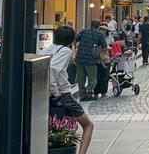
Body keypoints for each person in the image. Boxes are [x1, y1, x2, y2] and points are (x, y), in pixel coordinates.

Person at [41, 26, 94, 154]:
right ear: (71, 40)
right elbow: (53, 69)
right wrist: (55, 91)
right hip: (63, 95)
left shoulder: (49, 49)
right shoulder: (65, 50)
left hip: (45, 95)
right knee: (88, 125)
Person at [74, 20, 107, 101]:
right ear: (98, 26)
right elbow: (105, 47)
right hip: (91, 59)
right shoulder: (100, 35)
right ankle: (88, 93)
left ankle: (82, 95)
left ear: (91, 25)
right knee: (92, 78)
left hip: (80, 58)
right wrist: (101, 54)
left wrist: (76, 48)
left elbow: (75, 39)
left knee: (81, 78)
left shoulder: (84, 31)